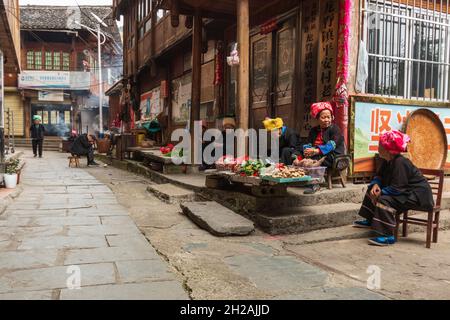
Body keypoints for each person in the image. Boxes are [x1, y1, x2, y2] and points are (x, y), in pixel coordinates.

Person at [353, 130, 434, 246]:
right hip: (405, 192)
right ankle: (370, 219)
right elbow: (379, 176)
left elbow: (397, 188)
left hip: (417, 195)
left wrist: (381, 193)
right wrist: (376, 184)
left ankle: (388, 236)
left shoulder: (400, 163)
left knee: (384, 200)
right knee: (371, 189)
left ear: (388, 149)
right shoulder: (388, 161)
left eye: (380, 146)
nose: (378, 148)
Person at [294, 101, 345, 194]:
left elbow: (332, 145)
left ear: (332, 117)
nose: (326, 120)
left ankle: (315, 185)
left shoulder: (335, 129)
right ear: (317, 118)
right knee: (297, 155)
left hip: (333, 156)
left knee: (313, 159)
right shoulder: (314, 130)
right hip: (317, 153)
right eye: (323, 117)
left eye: (328, 117)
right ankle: (301, 179)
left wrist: (316, 151)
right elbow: (309, 143)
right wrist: (306, 151)